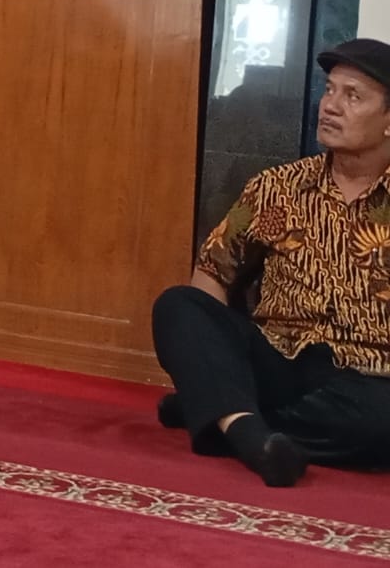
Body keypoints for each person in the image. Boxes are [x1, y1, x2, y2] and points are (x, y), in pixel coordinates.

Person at [152, 37, 390, 487]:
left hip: (367, 377)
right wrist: (213, 358)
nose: (330, 106)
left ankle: (224, 414)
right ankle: (246, 428)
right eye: (329, 90)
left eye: (353, 96)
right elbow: (213, 273)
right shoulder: (277, 188)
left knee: (382, 421)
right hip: (277, 358)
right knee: (177, 306)